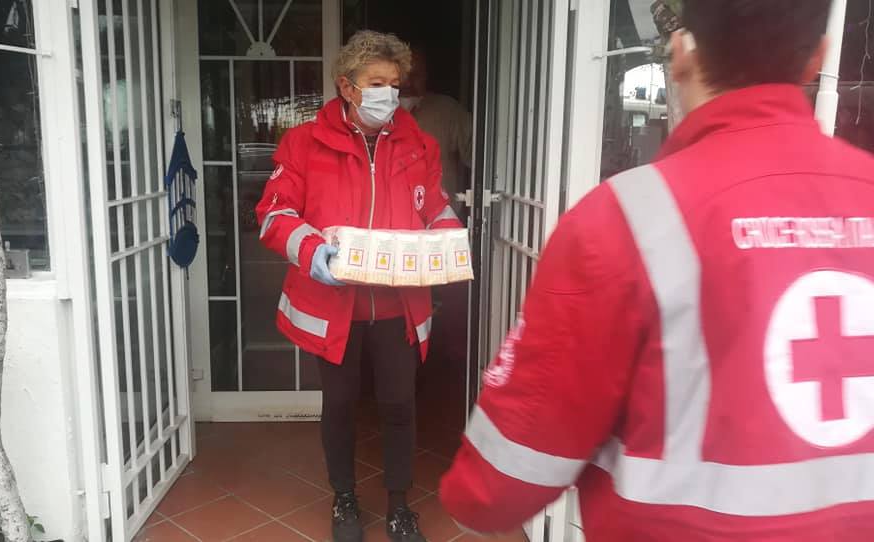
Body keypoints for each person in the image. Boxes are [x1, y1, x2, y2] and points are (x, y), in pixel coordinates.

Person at [440, 1, 874, 540]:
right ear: (819, 58)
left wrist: (467, 499)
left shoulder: (627, 218)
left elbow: (501, 483)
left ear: (681, 52)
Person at [256, 30, 462, 542]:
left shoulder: (419, 143)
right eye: (376, 83)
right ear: (347, 87)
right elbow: (274, 213)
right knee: (341, 405)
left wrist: (447, 237)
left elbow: (433, 206)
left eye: (394, 83)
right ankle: (344, 497)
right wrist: (312, 251)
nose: (388, 94)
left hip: (398, 307)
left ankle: (399, 505)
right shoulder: (303, 143)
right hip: (334, 306)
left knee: (399, 405)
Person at [399, 48, 473, 215]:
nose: (408, 83)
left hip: (440, 218)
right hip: (389, 223)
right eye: (403, 74)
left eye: (416, 75)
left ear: (426, 76)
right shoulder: (376, 114)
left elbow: (481, 157)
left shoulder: (447, 111)